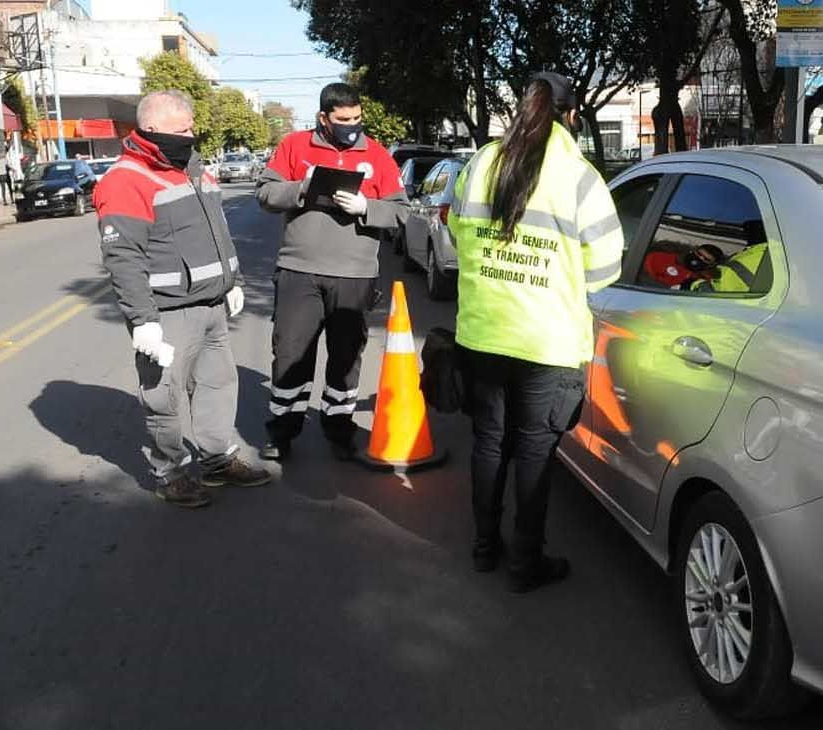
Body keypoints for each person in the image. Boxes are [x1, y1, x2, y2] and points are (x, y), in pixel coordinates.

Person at [447, 72, 624, 592]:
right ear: (570, 115)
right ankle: (527, 561)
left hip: (482, 334)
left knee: (487, 442)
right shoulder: (578, 175)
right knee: (533, 451)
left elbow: (458, 233)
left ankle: (484, 547)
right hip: (546, 342)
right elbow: (605, 268)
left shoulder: (481, 161)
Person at [94, 90, 271, 509]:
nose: (191, 136)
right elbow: (123, 257)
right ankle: (169, 472)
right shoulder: (126, 180)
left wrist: (234, 281)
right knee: (164, 396)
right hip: (167, 312)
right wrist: (143, 321)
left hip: (211, 305)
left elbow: (218, 232)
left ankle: (216, 459)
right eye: (182, 130)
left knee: (218, 385)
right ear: (151, 129)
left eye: (191, 128)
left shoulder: (193, 169)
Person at [255, 83, 408, 462]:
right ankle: (282, 432)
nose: (351, 126)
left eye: (357, 119)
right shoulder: (293, 146)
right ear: (324, 118)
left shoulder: (376, 155)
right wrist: (301, 189)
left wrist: (366, 207)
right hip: (298, 271)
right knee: (290, 355)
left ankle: (339, 428)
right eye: (342, 120)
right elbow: (265, 194)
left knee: (345, 357)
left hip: (354, 275)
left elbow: (401, 210)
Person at [641, 243, 724, 289]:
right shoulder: (658, 258)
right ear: (692, 251)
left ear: (711, 265)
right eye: (699, 254)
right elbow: (639, 278)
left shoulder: (704, 282)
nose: (699, 258)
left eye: (706, 259)